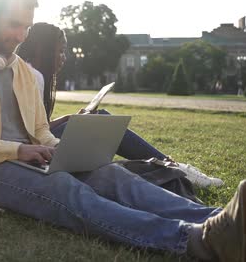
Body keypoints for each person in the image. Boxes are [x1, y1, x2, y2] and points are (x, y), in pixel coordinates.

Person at [0, 0, 246, 261]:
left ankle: (224, 222)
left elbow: (40, 132)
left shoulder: (22, 71)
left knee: (111, 174)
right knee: (64, 188)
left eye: (27, 27)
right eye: (13, 25)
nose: (21, 36)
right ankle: (196, 240)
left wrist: (62, 149)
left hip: (30, 159)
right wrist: (18, 150)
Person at [16, 22, 224, 188]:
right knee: (102, 120)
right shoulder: (33, 76)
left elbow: (37, 124)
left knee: (99, 118)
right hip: (34, 154)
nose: (64, 58)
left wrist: (70, 118)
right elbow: (28, 133)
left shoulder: (31, 72)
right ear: (41, 50)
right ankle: (173, 166)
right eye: (60, 51)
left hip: (37, 146)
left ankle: (171, 165)